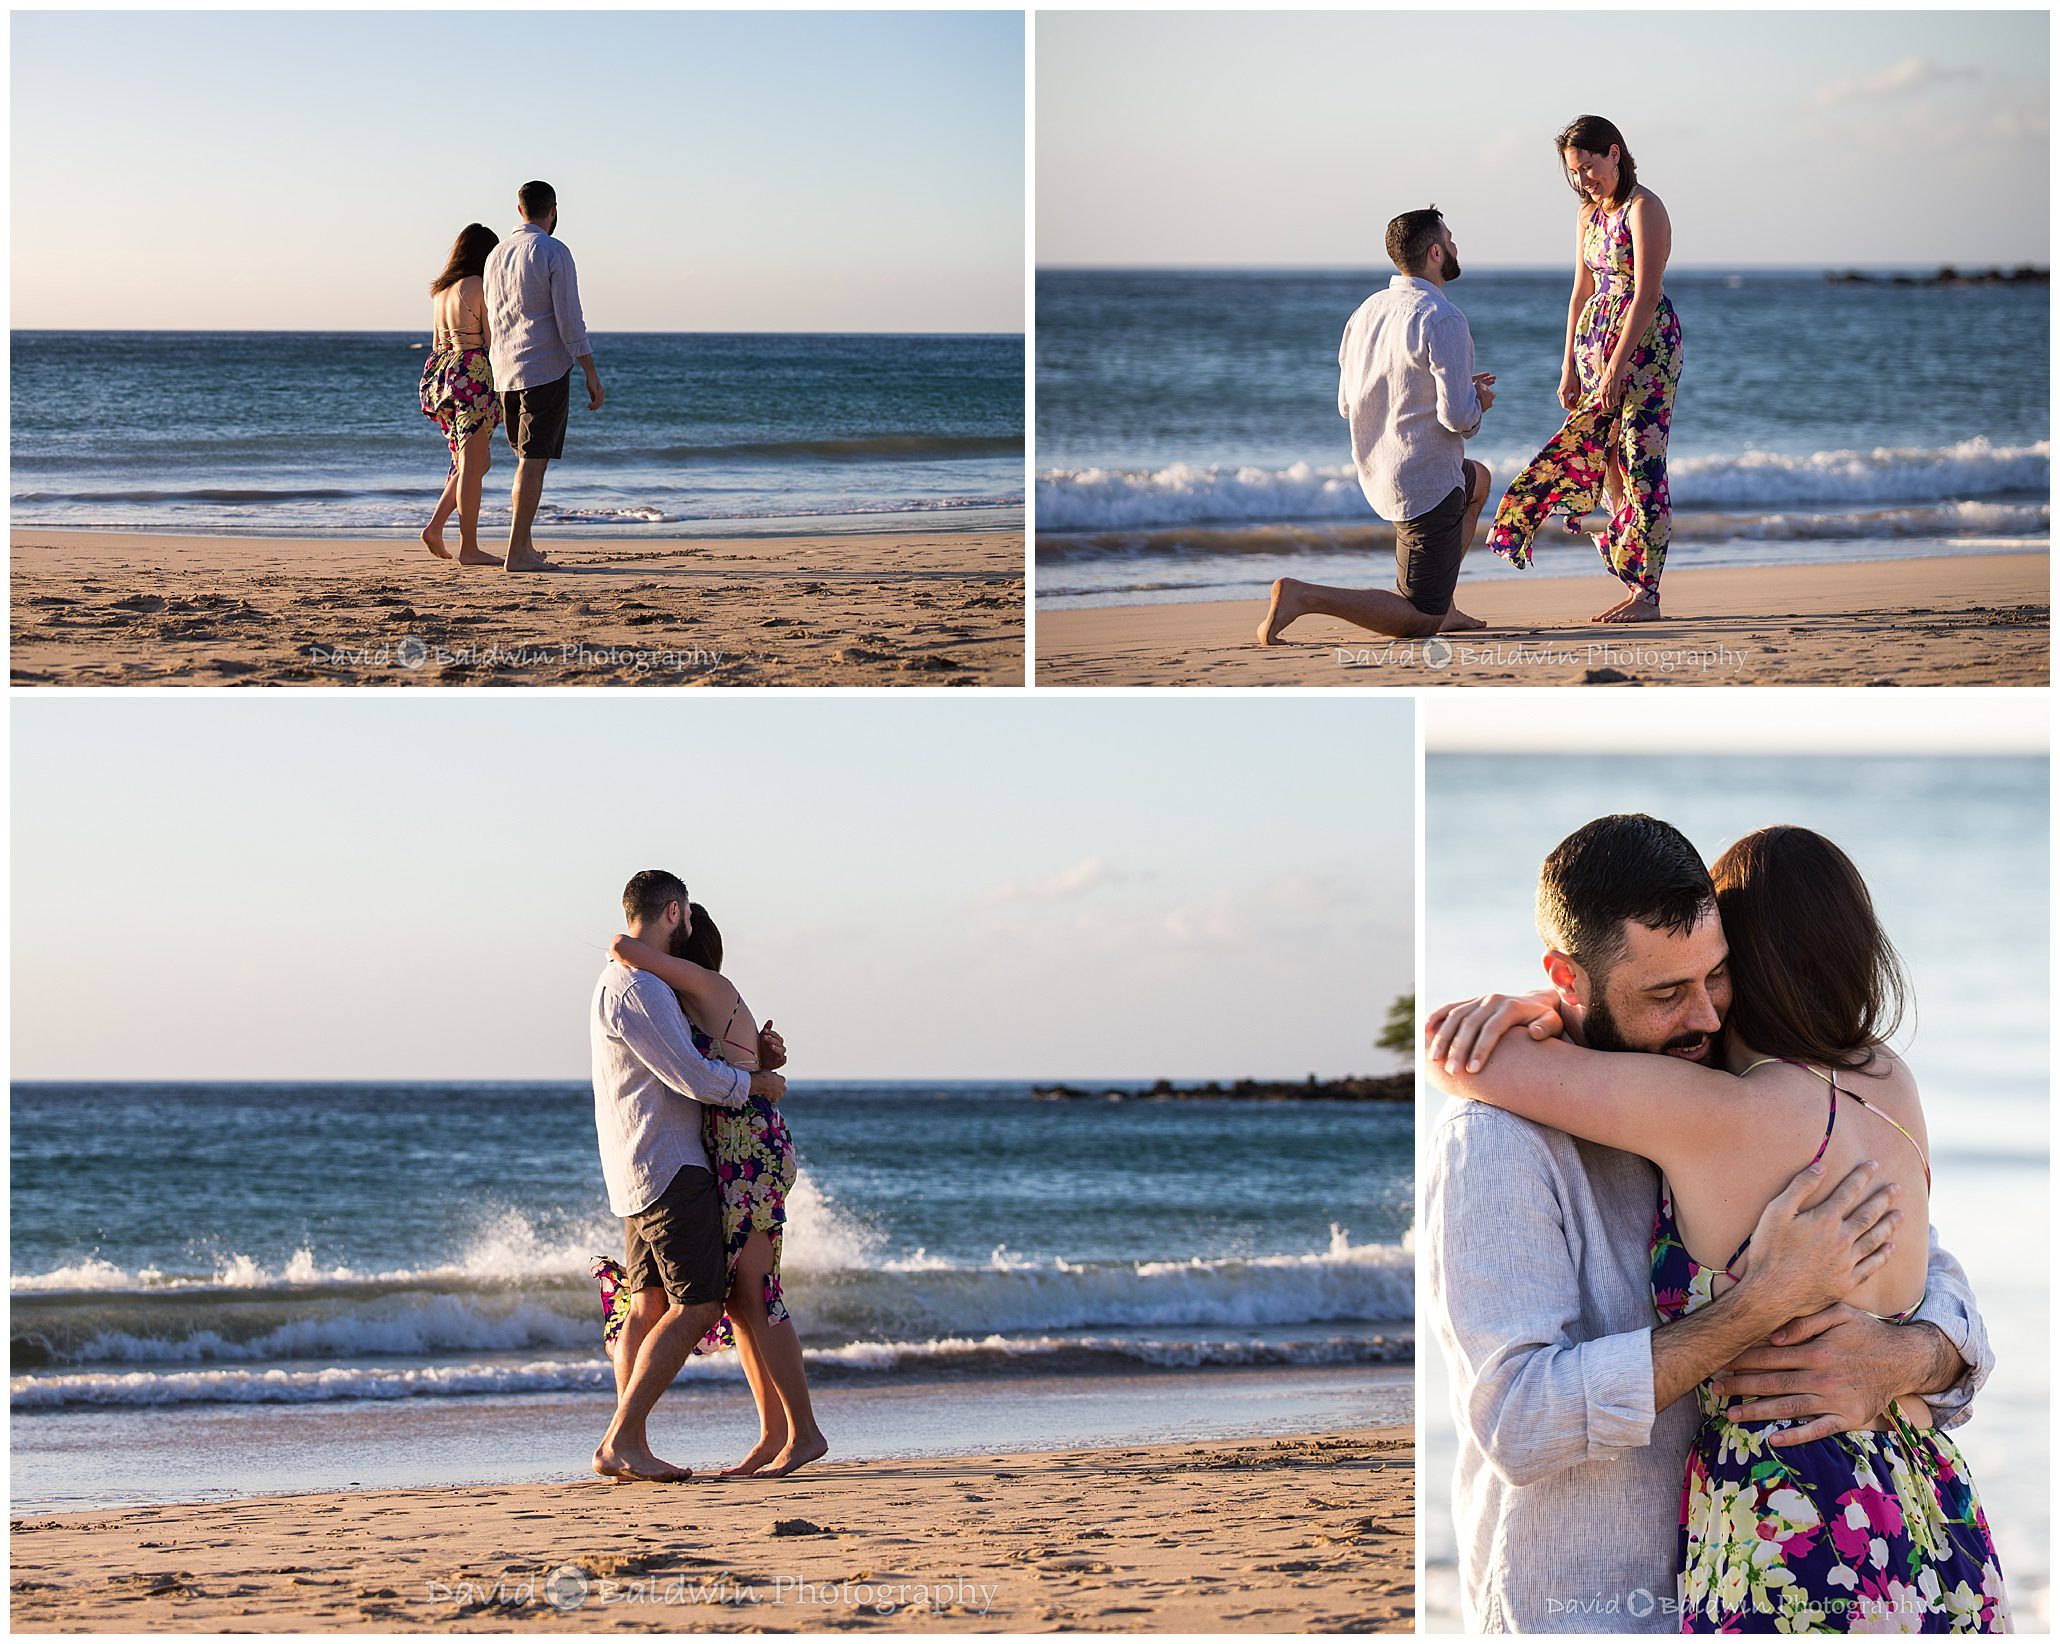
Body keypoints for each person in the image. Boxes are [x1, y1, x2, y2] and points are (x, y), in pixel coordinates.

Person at [1421, 815, 1996, 1633]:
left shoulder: (1728, 1092)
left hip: (1786, 1557)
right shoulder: (1502, 1142)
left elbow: (1930, 1275)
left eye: (1719, 977)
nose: (1703, 1016)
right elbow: (1517, 1421)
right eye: (1665, 993)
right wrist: (1758, 1307)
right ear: (1571, 978)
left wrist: (1906, 1353)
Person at [596, 902, 829, 1478]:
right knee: (739, 1300)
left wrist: (627, 940)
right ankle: (776, 1434)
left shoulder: (708, 986)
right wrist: (760, 1061)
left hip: (747, 1151)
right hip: (721, 1152)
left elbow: (630, 949)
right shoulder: (687, 1008)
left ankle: (803, 1434)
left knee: (755, 1289)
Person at [1259, 205, 1496, 645]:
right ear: (1435, 253)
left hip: (1379, 470)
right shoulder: (1444, 317)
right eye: (1450, 238)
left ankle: (1448, 603)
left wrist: (1455, 385)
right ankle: (1304, 596)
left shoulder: (1365, 312)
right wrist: (1478, 399)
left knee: (1478, 480)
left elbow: (1347, 404)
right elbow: (1458, 419)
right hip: (1425, 485)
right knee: (1421, 620)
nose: (1455, 244)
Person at [1487, 116, 1683, 624]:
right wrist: (1568, 365)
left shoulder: (1644, 209)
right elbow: (1580, 291)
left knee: (1641, 461)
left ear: (1614, 154)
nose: (1582, 180)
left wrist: (1619, 362)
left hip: (1646, 348)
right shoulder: (1587, 215)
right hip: (1595, 347)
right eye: (1574, 172)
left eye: (1588, 167)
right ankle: (1632, 577)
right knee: (1607, 464)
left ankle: (1648, 595)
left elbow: (1647, 293)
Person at [483, 180, 604, 572]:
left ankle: (525, 545)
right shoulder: (553, 251)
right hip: (543, 368)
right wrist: (590, 370)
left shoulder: (496, 255)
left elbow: (495, 316)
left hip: (505, 368)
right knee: (533, 463)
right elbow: (570, 319)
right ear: (552, 209)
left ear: (520, 210)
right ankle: (517, 553)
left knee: (526, 459)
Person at [418, 224, 504, 566]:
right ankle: (469, 547)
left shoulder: (441, 292)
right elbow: (491, 339)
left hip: (443, 373)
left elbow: (437, 343)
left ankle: (435, 527)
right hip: (473, 373)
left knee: (476, 461)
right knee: (472, 464)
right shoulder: (479, 286)